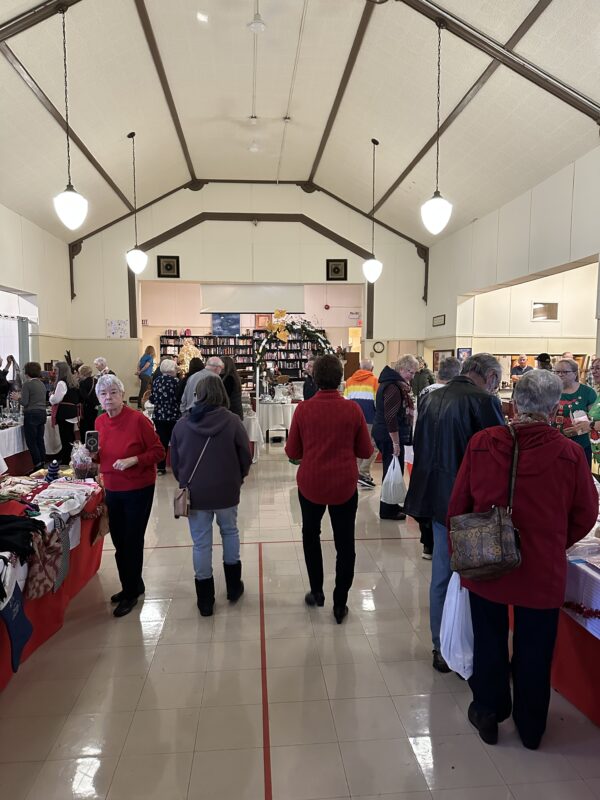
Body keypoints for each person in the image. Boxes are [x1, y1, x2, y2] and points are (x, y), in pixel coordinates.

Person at [448, 370, 597, 750]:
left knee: (489, 639)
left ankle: (489, 713)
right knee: (535, 647)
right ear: (555, 407)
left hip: (487, 559)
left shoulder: (483, 443)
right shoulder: (568, 452)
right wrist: (554, 541)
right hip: (541, 568)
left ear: (515, 402)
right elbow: (585, 512)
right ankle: (531, 728)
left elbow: (459, 504)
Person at [404, 353, 505, 673]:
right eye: (498, 382)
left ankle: (441, 646)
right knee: (478, 579)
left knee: (441, 576)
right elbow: (498, 455)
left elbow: (420, 445)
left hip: (435, 499)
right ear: (489, 377)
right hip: (470, 503)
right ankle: (471, 645)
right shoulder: (484, 402)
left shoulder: (432, 398)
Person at [285, 355, 372, 624]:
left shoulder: (303, 409)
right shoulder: (352, 410)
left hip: (311, 483)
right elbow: (366, 450)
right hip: (344, 484)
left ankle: (316, 590)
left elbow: (292, 451)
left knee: (310, 535)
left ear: (314, 378)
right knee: (345, 543)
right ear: (341, 379)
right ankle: (340, 602)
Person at [170, 375, 252, 617]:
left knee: (201, 543)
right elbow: (245, 456)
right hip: (227, 489)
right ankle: (233, 587)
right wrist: (239, 478)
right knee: (230, 532)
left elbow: (175, 461)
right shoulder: (233, 421)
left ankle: (205, 598)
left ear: (197, 394)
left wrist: (184, 481)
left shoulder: (182, 425)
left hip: (196, 492)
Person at [95, 374, 165, 618]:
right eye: (103, 394)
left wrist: (134, 459)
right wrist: (87, 459)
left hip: (138, 487)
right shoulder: (100, 422)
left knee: (131, 541)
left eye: (113, 392)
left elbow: (159, 451)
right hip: (112, 488)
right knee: (119, 542)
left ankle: (130, 592)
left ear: (122, 395)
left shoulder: (138, 420)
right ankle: (133, 584)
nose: (108, 398)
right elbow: (99, 455)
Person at [415, 356, 462, 559]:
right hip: (444, 453)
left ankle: (428, 543)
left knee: (426, 495)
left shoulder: (426, 391)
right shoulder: (451, 395)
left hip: (424, 448)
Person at [372, 355, 418, 521]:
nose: (412, 376)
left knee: (393, 469)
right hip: (388, 435)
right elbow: (390, 417)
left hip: (385, 433)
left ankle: (391, 504)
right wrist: (396, 442)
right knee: (391, 470)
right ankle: (387, 510)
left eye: (414, 373)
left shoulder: (392, 383)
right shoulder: (393, 387)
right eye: (410, 372)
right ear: (401, 369)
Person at [552, 358, 597, 466]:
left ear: (575, 373)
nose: (560, 375)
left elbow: (594, 418)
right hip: (555, 443)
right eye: (557, 372)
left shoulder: (587, 392)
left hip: (581, 444)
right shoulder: (551, 391)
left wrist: (581, 427)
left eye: (565, 372)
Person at [343, 358, 379, 487]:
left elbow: (345, 402)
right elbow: (377, 403)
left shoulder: (349, 381)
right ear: (372, 369)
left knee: (356, 447)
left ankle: (358, 474)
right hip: (369, 419)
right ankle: (363, 473)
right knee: (373, 447)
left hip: (353, 420)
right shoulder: (375, 381)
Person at [149, 358, 180, 475]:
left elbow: (152, 399)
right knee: (176, 442)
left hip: (159, 416)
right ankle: (177, 466)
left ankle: (161, 468)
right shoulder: (176, 381)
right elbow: (179, 398)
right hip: (173, 416)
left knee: (162, 442)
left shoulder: (157, 381)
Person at [49, 361, 80, 465]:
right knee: (70, 436)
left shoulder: (61, 382)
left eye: (56, 370)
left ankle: (67, 459)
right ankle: (72, 457)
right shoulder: (72, 381)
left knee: (65, 437)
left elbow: (57, 399)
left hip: (64, 413)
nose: (54, 372)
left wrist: (51, 397)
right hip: (72, 412)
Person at [18, 362, 47, 470]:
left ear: (27, 372)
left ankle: (37, 464)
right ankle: (42, 462)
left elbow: (25, 402)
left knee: (31, 441)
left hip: (31, 414)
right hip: (42, 413)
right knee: (40, 439)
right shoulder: (41, 384)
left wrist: (18, 398)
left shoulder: (27, 384)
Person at [78, 365, 98, 441]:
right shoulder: (96, 381)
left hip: (87, 408)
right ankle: (94, 443)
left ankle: (86, 445)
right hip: (96, 407)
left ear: (83, 373)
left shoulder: (82, 383)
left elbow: (83, 397)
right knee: (94, 426)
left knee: (85, 428)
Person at [221, 356, 243, 420]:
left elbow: (225, 395)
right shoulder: (233, 376)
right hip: (235, 411)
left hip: (231, 411)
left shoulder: (229, 378)